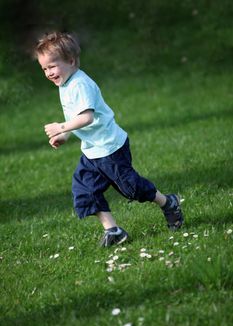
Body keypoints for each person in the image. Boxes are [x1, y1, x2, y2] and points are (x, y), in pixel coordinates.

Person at [34, 31, 184, 247]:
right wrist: (65, 134)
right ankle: (113, 230)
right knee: (85, 190)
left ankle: (168, 203)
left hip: (110, 148)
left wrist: (61, 126)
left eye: (52, 66)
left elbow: (86, 117)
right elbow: (76, 117)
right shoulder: (65, 84)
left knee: (132, 189)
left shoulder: (80, 84)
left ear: (71, 61)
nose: (49, 73)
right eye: (44, 69)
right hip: (92, 151)